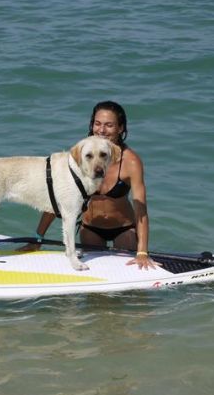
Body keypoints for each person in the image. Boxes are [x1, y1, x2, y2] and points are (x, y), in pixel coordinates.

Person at [22, 101, 158, 270]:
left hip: (124, 229)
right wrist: (38, 238)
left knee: (126, 279)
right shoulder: (81, 156)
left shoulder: (131, 162)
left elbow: (141, 211)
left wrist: (142, 252)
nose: (101, 130)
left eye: (109, 125)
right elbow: (58, 200)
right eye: (97, 123)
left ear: (121, 128)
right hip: (91, 229)